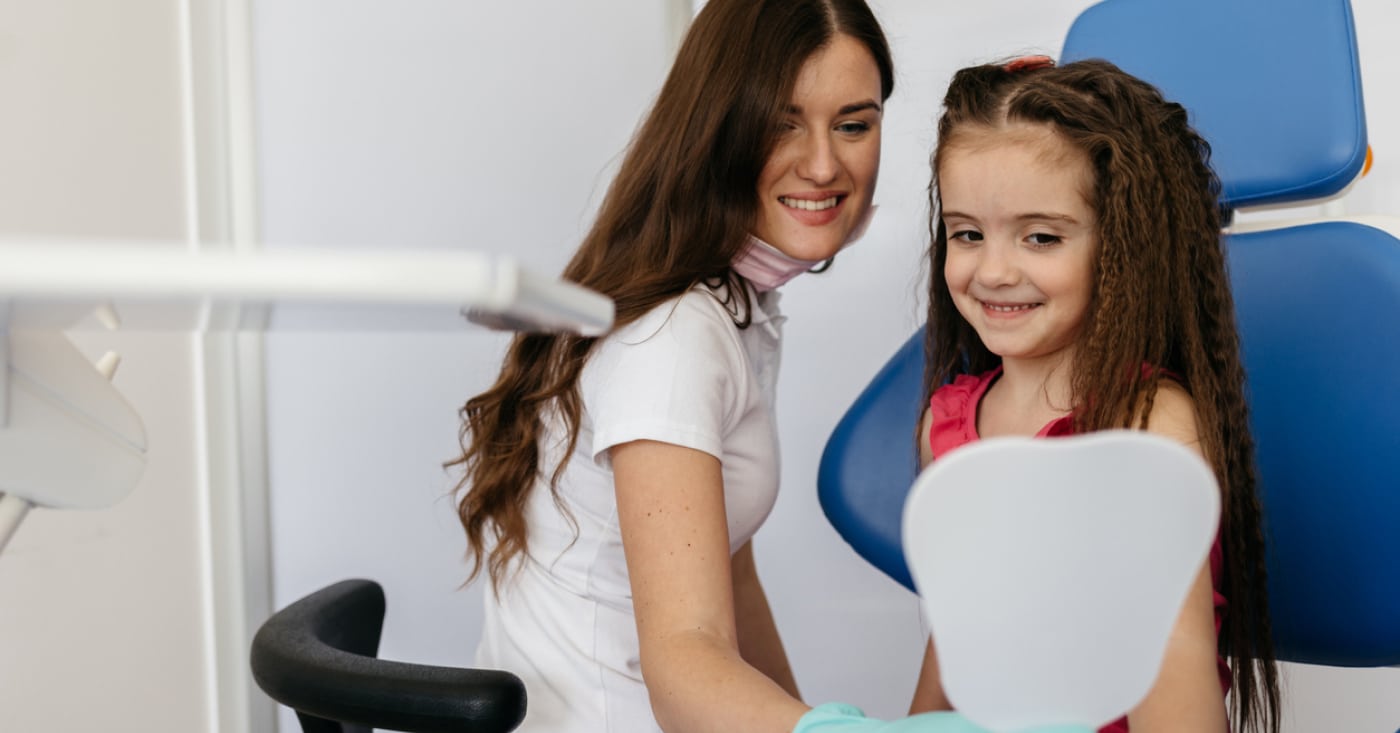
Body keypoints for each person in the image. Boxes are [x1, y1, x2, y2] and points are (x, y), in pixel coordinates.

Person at [446, 2, 998, 731]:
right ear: (720, 126)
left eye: (853, 124)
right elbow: (685, 666)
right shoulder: (673, 337)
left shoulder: (725, 303)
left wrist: (806, 715)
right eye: (782, 121)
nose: (826, 163)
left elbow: (732, 578)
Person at [910, 56, 1282, 733]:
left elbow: (1177, 694)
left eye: (1041, 236)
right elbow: (955, 643)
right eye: (967, 233)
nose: (992, 270)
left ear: (1119, 248)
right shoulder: (947, 423)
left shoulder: (1150, 431)